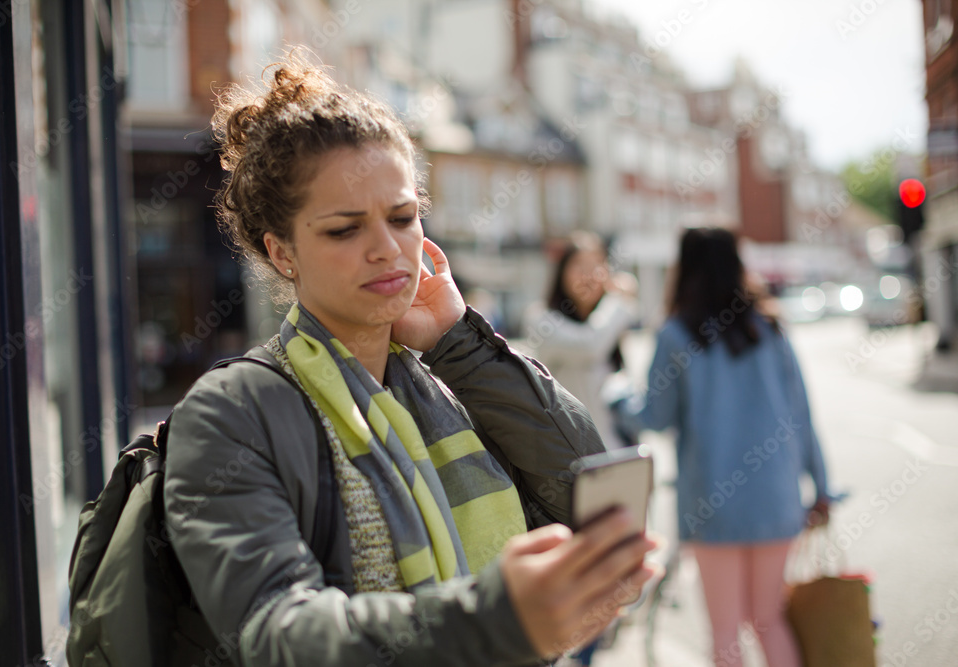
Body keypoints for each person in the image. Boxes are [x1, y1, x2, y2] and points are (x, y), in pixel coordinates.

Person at [162, 52, 660, 666]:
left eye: (402, 218)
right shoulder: (231, 413)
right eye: (345, 229)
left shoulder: (447, 377)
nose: (385, 249)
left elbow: (583, 487)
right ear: (282, 251)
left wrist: (457, 340)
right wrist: (492, 622)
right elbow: (275, 635)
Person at [615, 227, 831, 667]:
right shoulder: (770, 328)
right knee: (769, 620)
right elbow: (803, 416)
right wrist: (822, 488)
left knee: (726, 633)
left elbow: (654, 417)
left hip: (713, 502)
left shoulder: (676, 334)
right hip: (776, 499)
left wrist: (618, 395)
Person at [524, 232, 638, 449]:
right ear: (561, 272)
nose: (590, 275)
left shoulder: (608, 321)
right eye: (579, 266)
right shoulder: (542, 319)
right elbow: (589, 345)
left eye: (597, 266)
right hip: (570, 462)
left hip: (617, 456)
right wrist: (619, 301)